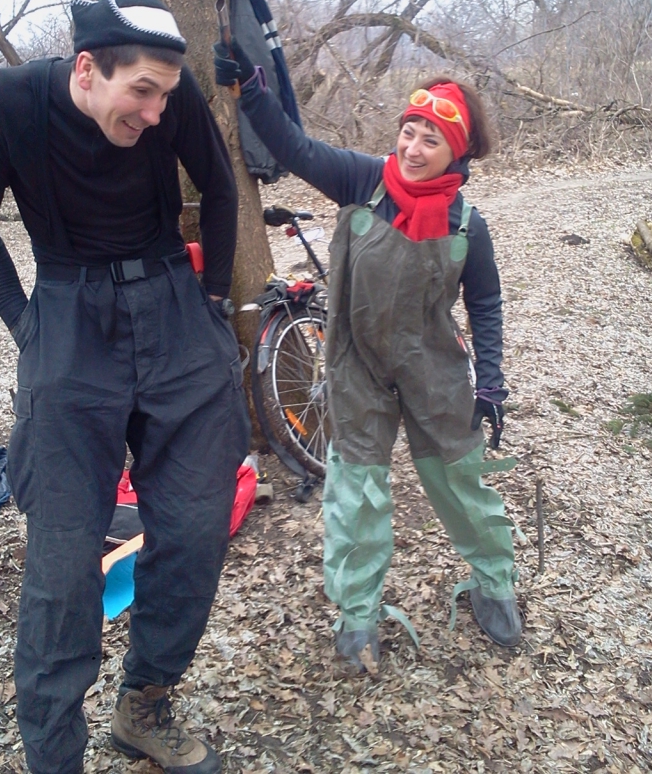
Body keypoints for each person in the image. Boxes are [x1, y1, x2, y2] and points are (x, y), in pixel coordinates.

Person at [0, 0, 250, 774]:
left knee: (194, 527)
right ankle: (55, 756)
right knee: (63, 556)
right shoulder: (5, 103)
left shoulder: (168, 91)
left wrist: (213, 301)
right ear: (87, 69)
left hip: (173, 308)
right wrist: (27, 325)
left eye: (165, 96)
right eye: (140, 92)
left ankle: (145, 703)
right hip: (68, 315)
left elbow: (220, 189)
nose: (155, 113)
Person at [214, 41, 521, 669]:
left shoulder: (468, 223)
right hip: (357, 369)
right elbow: (296, 148)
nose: (413, 148)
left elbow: (485, 304)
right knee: (356, 494)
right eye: (409, 132)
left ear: (457, 153)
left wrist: (490, 381)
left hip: (435, 371)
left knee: (460, 482)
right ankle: (357, 616)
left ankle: (496, 583)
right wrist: (252, 90)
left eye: (431, 140)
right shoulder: (362, 181)